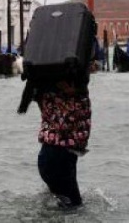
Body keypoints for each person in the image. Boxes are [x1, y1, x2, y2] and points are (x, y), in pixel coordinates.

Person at [21, 69, 91, 209]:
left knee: (70, 204)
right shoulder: (76, 99)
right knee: (72, 204)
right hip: (58, 154)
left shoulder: (55, 97)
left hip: (55, 155)